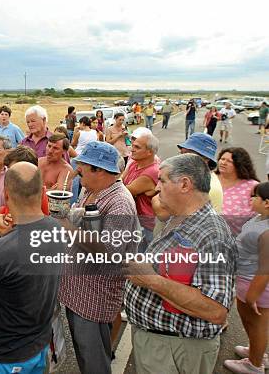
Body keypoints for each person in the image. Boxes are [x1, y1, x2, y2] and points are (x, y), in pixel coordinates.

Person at [124, 154, 237, 374]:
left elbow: (215, 310)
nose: (156, 188)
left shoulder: (213, 235)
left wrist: (150, 280)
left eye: (163, 180)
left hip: (175, 350)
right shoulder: (182, 217)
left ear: (184, 184)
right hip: (163, 344)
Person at [0, 162, 63, 374]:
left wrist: (3, 238)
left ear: (7, 196)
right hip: (38, 345)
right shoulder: (57, 228)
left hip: (2, 357)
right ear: (42, 191)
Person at [60, 141, 140, 374]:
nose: (78, 170)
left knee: (94, 361)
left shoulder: (120, 203)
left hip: (94, 298)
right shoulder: (90, 188)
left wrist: (68, 228)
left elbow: (111, 251)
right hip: (78, 292)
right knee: (85, 355)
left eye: (82, 166)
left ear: (100, 170)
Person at [223, 182, 269, 374]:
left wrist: (252, 297)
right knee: (250, 323)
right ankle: (255, 352)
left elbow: (265, 269)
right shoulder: (260, 218)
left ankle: (255, 364)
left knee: (257, 325)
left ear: (266, 203)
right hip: (246, 281)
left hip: (256, 288)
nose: (251, 199)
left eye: (255, 197)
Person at [122, 133, 160, 249]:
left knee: (139, 261)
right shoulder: (134, 164)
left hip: (146, 226)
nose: (132, 150)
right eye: (133, 146)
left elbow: (125, 191)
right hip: (135, 222)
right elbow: (120, 180)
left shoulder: (152, 171)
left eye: (137, 147)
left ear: (150, 152)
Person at [176, 133, 223, 212]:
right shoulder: (191, 175)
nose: (181, 159)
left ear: (206, 159)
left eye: (188, 154)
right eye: (181, 154)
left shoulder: (207, 187)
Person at [216, 147, 260, 232]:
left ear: (239, 165)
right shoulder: (209, 178)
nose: (223, 163)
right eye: (222, 159)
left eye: (229, 161)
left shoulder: (252, 186)